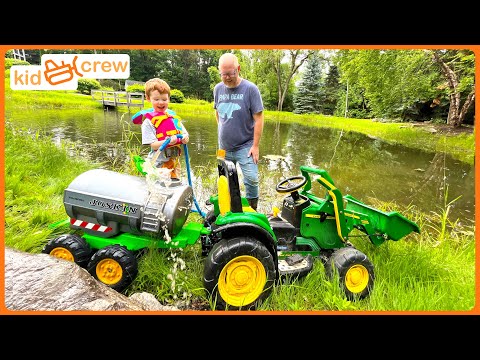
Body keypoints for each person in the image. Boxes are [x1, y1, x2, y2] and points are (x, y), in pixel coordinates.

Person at [213, 53, 264, 211]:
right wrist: (224, 130)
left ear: (238, 69)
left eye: (231, 73)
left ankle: (252, 211)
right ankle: (229, 210)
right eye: (224, 74)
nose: (227, 77)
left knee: (251, 179)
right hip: (224, 147)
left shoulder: (250, 89)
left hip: (245, 146)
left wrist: (255, 146)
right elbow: (217, 113)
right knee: (225, 181)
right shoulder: (218, 89)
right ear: (220, 72)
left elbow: (259, 119)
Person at [132, 78, 189, 180]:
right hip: (158, 164)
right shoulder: (148, 122)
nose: (161, 103)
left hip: (175, 163)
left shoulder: (174, 118)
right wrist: (168, 141)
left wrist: (185, 139)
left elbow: (185, 135)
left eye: (164, 99)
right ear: (148, 98)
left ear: (169, 99)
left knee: (174, 187)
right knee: (159, 189)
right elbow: (154, 146)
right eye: (156, 99)